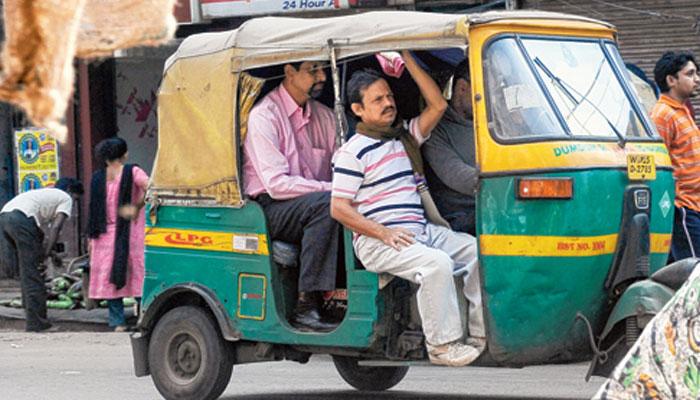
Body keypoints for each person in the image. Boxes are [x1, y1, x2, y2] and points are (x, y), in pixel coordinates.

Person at [330, 50, 486, 367]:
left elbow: (438, 104)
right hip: (379, 241)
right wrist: (382, 233)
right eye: (377, 100)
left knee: (475, 250)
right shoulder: (352, 152)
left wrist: (406, 55)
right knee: (437, 264)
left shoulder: (404, 138)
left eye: (388, 96)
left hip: (419, 232)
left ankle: (480, 337)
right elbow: (339, 208)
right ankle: (442, 346)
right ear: (358, 110)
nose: (388, 103)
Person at [242, 60, 339, 332]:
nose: (321, 77)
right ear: (289, 71)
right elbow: (276, 185)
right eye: (313, 70)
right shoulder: (265, 116)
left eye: (323, 70)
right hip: (271, 208)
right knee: (327, 206)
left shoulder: (326, 116)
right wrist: (332, 189)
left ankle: (341, 299)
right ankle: (306, 305)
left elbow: (341, 164)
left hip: (312, 203)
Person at [0, 177, 83, 332]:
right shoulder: (65, 197)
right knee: (34, 273)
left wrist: (50, 254)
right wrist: (45, 257)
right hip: (22, 220)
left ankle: (28, 307)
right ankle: (37, 323)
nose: (74, 204)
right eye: (76, 198)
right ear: (71, 191)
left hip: (5, 218)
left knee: (27, 269)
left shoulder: (45, 195)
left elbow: (39, 238)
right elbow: (56, 227)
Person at [87, 137, 148, 332]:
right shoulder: (133, 172)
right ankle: (144, 319)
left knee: (109, 277)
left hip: (103, 235)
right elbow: (151, 188)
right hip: (130, 233)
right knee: (138, 273)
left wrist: (90, 240)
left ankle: (117, 322)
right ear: (125, 154)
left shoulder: (97, 177)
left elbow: (93, 209)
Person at [651, 51, 700, 261]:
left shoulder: (681, 111)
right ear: (671, 80)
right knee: (692, 272)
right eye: (690, 74)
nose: (697, 79)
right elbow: (657, 165)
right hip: (683, 209)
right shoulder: (663, 115)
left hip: (694, 206)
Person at [422, 59, 478, 235]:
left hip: (495, 206)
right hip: (461, 218)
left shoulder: (492, 124)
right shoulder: (437, 130)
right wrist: (506, 182)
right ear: (462, 88)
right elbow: (457, 176)